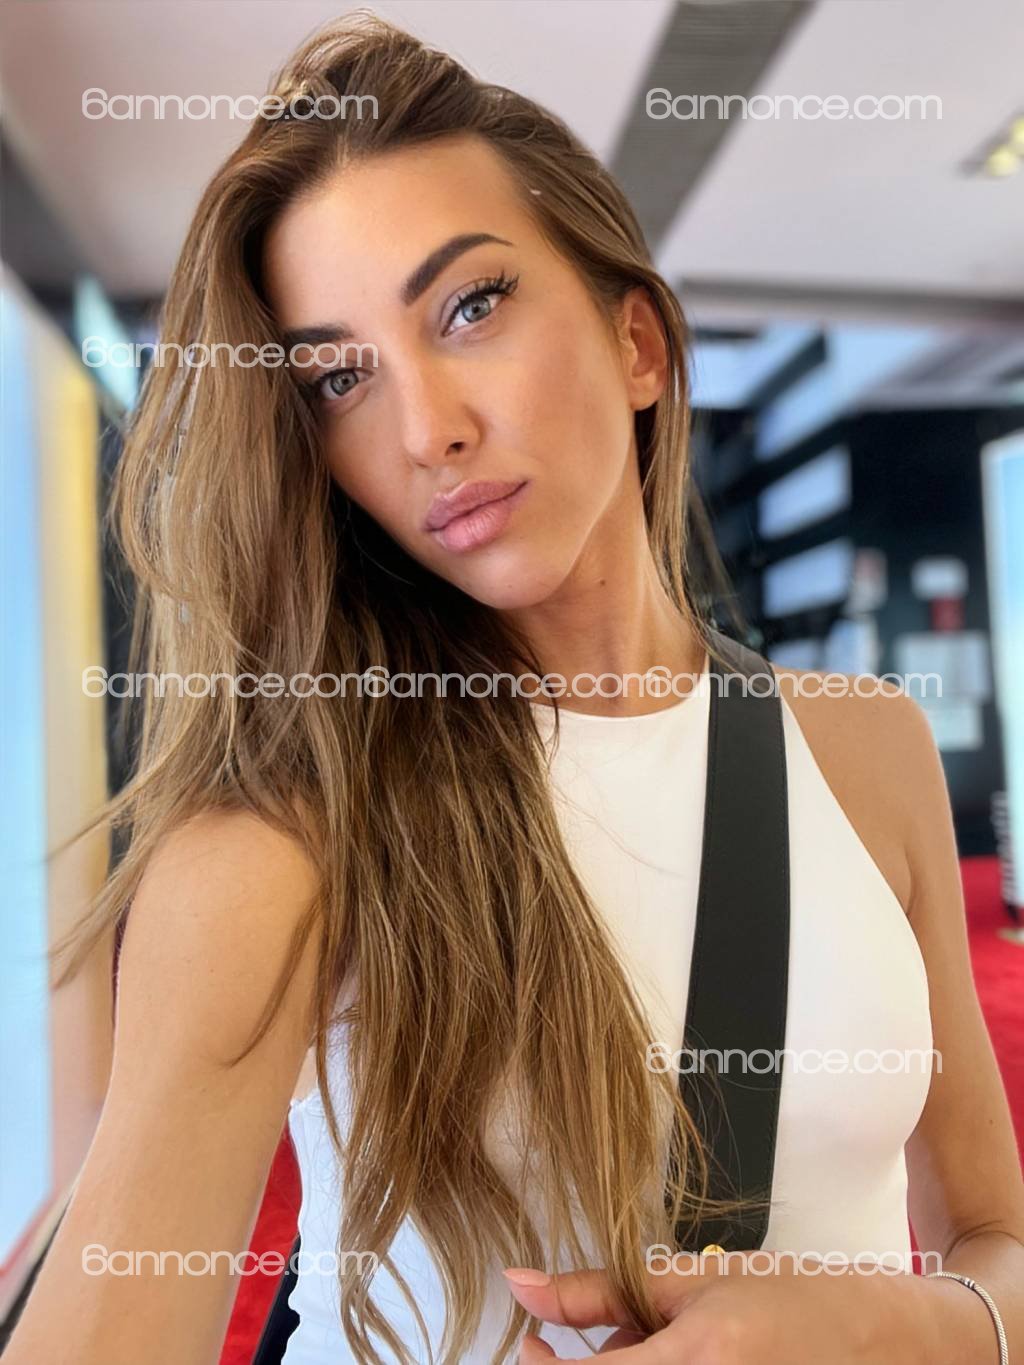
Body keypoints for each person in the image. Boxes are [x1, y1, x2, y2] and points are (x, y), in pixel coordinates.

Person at [8, 13, 1023, 1365]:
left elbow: (996, 1239)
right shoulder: (287, 834)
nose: (428, 429)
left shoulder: (864, 746)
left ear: (639, 344)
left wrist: (899, 1321)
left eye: (470, 307)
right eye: (339, 377)